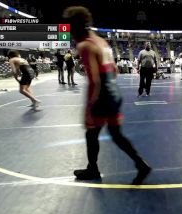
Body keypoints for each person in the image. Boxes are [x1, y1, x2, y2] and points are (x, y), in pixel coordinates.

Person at [63, 6, 151, 184]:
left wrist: (89, 107)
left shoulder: (85, 46)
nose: (70, 34)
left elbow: (94, 81)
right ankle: (141, 164)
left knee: (91, 133)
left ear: (75, 27)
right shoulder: (101, 42)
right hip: (113, 93)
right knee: (115, 134)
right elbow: (115, 70)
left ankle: (93, 169)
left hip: (102, 96)